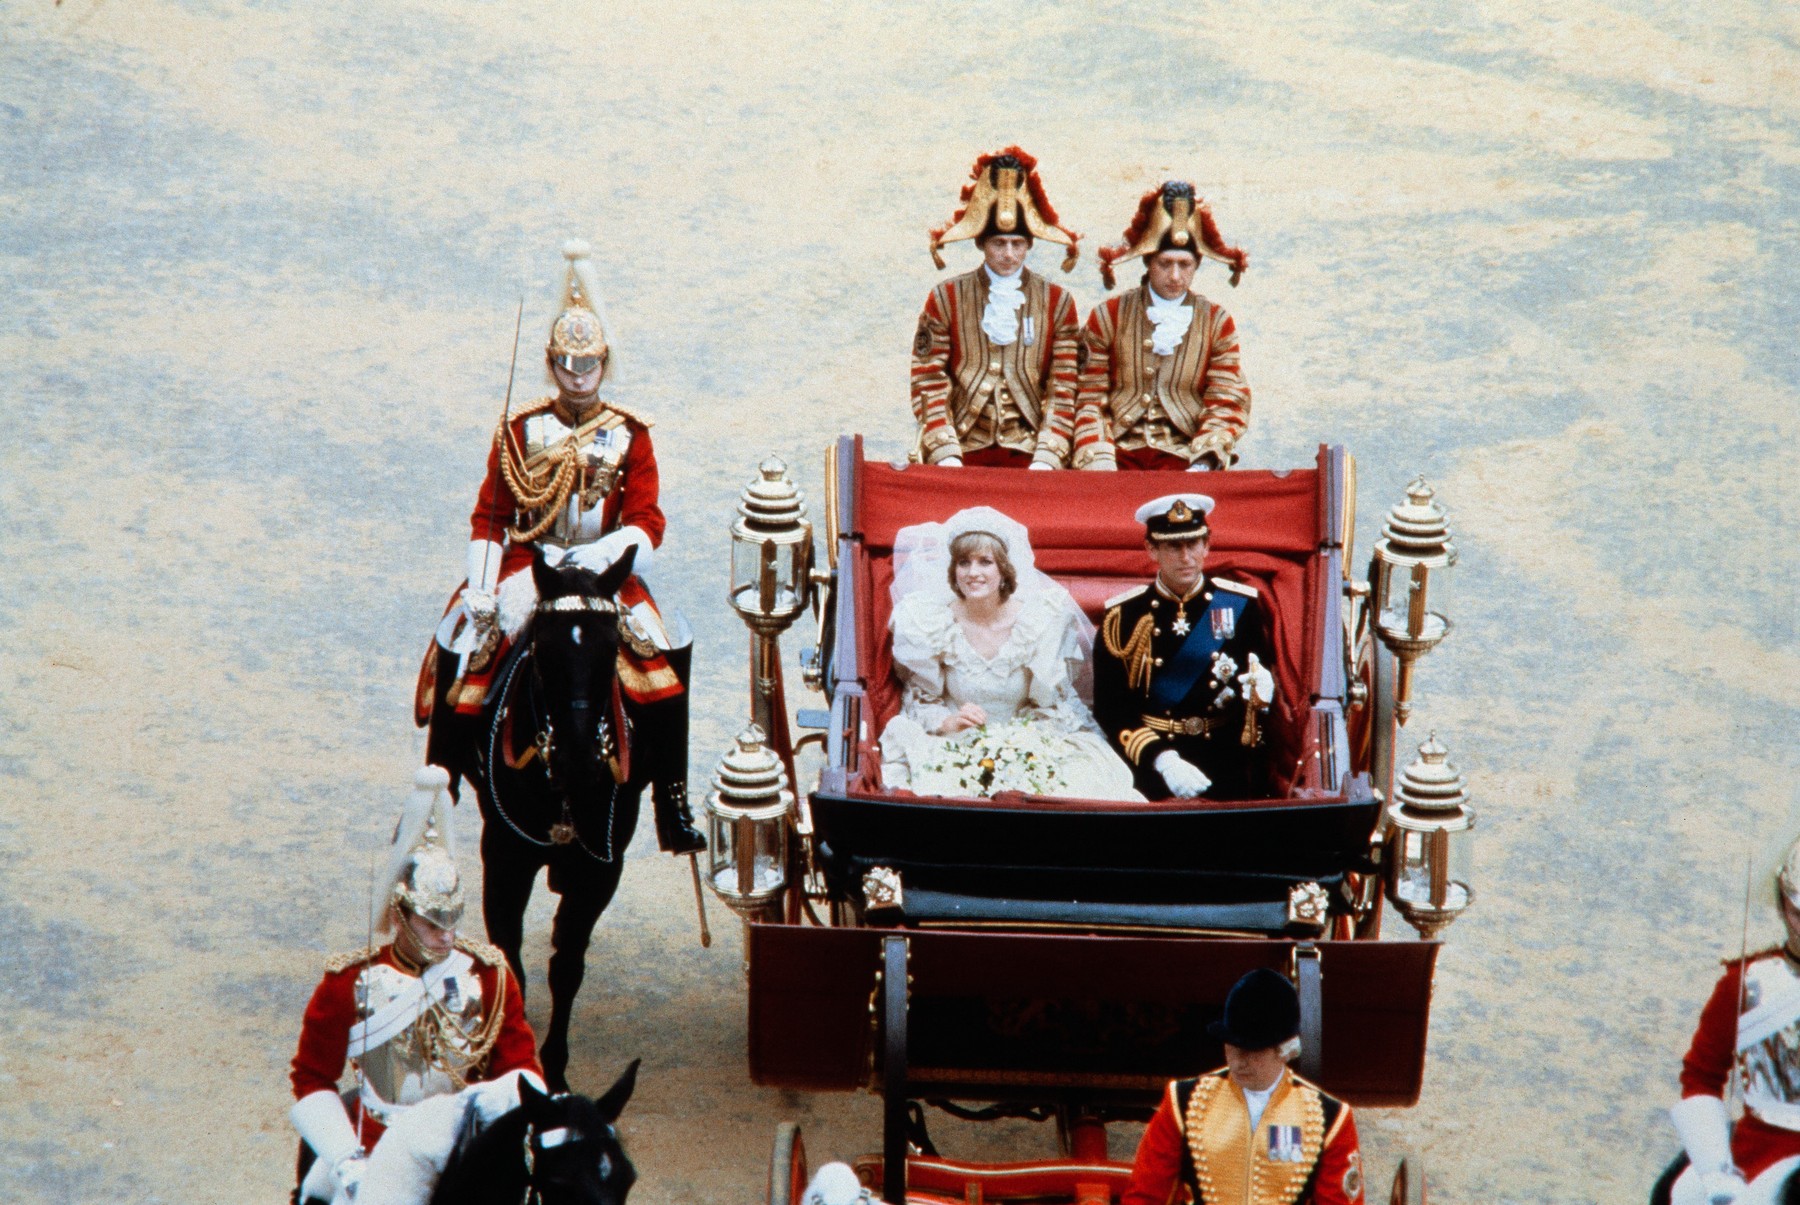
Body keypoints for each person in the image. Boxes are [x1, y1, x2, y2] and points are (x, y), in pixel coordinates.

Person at [421, 239, 702, 855]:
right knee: (465, 645)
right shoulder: (520, 429)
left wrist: (603, 557)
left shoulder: (631, 434)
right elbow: (491, 516)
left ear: (605, 363)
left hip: (606, 570)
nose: (578, 377)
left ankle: (671, 800)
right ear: (551, 364)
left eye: (589, 365)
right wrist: (483, 588)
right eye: (568, 366)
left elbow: (646, 520)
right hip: (533, 563)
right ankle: (438, 787)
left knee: (663, 655)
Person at [288, 767, 543, 1205]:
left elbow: (519, 1066)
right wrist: (347, 1159)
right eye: (432, 923)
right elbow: (312, 1078)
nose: (447, 936)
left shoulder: (489, 974)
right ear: (399, 914)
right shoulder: (348, 982)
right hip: (379, 1146)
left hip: (464, 1144)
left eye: (453, 920)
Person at [878, 506, 1140, 801]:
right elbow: (922, 700)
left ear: (1003, 570)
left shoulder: (1041, 620)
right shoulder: (930, 621)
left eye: (985, 562)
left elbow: (1052, 706)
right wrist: (948, 722)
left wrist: (1019, 745)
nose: (973, 573)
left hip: (1027, 742)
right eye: (963, 563)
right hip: (955, 743)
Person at [1123, 968, 1365, 1205]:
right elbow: (1145, 1197)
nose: (1238, 1062)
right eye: (1232, 1047)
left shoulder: (1332, 1119)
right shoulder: (1182, 1102)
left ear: (1284, 1050)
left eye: (1252, 1051)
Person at [1091, 494, 1276, 800]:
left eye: (1193, 544)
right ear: (1151, 549)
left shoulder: (1240, 606)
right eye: (1173, 546)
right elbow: (1111, 710)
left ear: (1207, 545)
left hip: (1224, 757)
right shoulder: (1123, 617)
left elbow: (1256, 679)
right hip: (1153, 764)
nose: (1186, 557)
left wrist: (1263, 694)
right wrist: (1162, 760)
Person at [911, 147, 1083, 469]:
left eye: (1017, 244)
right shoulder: (946, 297)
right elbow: (928, 379)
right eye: (998, 243)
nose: (1008, 254)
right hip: (962, 447)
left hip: (1031, 449)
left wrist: (1048, 457)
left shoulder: (1058, 302)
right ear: (981, 243)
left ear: (1029, 244)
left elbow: (1064, 386)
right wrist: (945, 451)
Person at [1072, 181, 1251, 472]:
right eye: (1165, 264)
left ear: (1197, 265)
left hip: (1186, 455)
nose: (1175, 276)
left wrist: (1205, 460)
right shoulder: (1108, 316)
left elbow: (1226, 399)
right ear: (1148, 262)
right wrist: (1099, 457)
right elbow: (1089, 397)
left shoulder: (1217, 322)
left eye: (1185, 264)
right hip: (1116, 454)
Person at [1662, 837, 1800, 1205]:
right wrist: (1716, 1171)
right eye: (1798, 914)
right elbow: (1701, 1077)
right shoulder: (1742, 985)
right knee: (1678, 1193)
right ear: (1783, 904)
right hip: (1757, 1150)